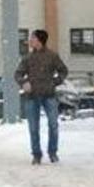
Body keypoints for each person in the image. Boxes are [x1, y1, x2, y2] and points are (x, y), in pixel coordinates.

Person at [14, 29, 69, 165]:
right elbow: (18, 74)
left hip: (49, 95)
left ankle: (52, 152)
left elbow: (63, 70)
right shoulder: (28, 58)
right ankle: (36, 154)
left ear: (39, 40)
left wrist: (55, 82)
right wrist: (24, 82)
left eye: (32, 38)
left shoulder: (52, 56)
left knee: (53, 124)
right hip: (32, 96)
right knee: (33, 127)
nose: (30, 41)